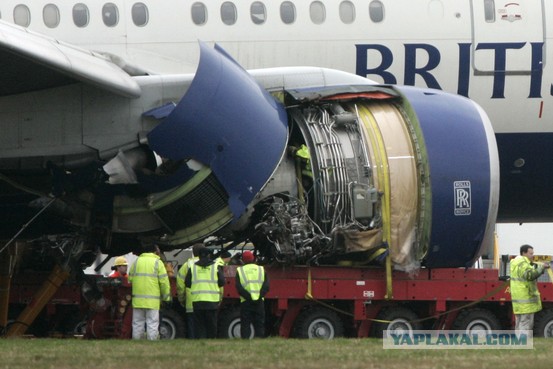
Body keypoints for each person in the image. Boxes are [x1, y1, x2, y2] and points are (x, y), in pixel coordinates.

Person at [128, 244, 171, 340]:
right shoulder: (157, 262)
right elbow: (164, 282)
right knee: (152, 324)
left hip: (138, 301)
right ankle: (152, 345)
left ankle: (137, 344)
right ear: (154, 251)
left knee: (137, 323)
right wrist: (166, 298)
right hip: (152, 301)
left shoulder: (137, 262)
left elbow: (130, 279)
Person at [185, 247, 225, 338]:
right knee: (211, 324)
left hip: (197, 301)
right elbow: (222, 282)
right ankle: (211, 341)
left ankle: (200, 343)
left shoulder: (193, 267)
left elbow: (187, 283)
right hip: (212, 301)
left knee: (199, 326)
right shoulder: (216, 267)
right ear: (209, 255)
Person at [510, 244, 550, 332]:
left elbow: (528, 272)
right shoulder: (523, 263)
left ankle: (519, 343)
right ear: (524, 253)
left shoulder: (516, 263)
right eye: (530, 254)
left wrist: (539, 268)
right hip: (526, 299)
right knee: (526, 324)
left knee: (519, 323)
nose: (532, 256)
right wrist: (541, 268)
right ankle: (524, 344)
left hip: (519, 300)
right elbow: (530, 275)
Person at [235, 250, 269, 339]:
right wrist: (259, 296)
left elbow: (239, 287)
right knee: (259, 323)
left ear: (243, 260)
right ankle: (260, 340)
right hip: (259, 301)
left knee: (245, 323)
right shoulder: (261, 269)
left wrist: (248, 297)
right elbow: (266, 286)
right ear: (253, 258)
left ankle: (246, 340)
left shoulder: (240, 270)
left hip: (246, 301)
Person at [176, 243, 205, 338]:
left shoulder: (187, 265)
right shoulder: (210, 264)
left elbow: (180, 285)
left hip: (191, 302)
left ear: (193, 252)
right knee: (203, 327)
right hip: (207, 302)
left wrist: (181, 298)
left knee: (192, 326)